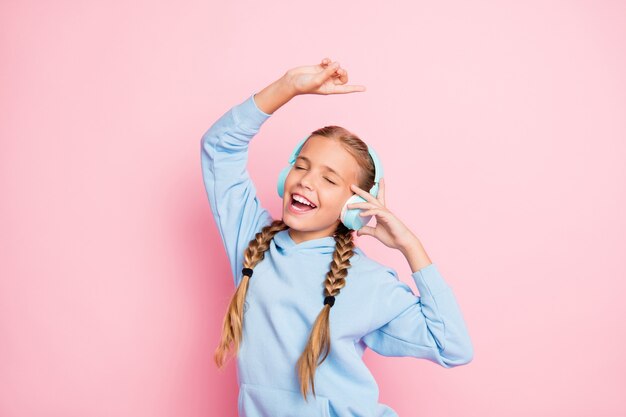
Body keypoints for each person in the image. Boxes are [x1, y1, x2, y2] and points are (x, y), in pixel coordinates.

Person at [200, 57, 474, 417]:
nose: (307, 181)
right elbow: (219, 148)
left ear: (354, 206)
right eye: (301, 166)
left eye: (329, 180)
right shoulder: (252, 241)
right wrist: (289, 87)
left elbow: (452, 346)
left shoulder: (368, 282)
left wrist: (411, 246)